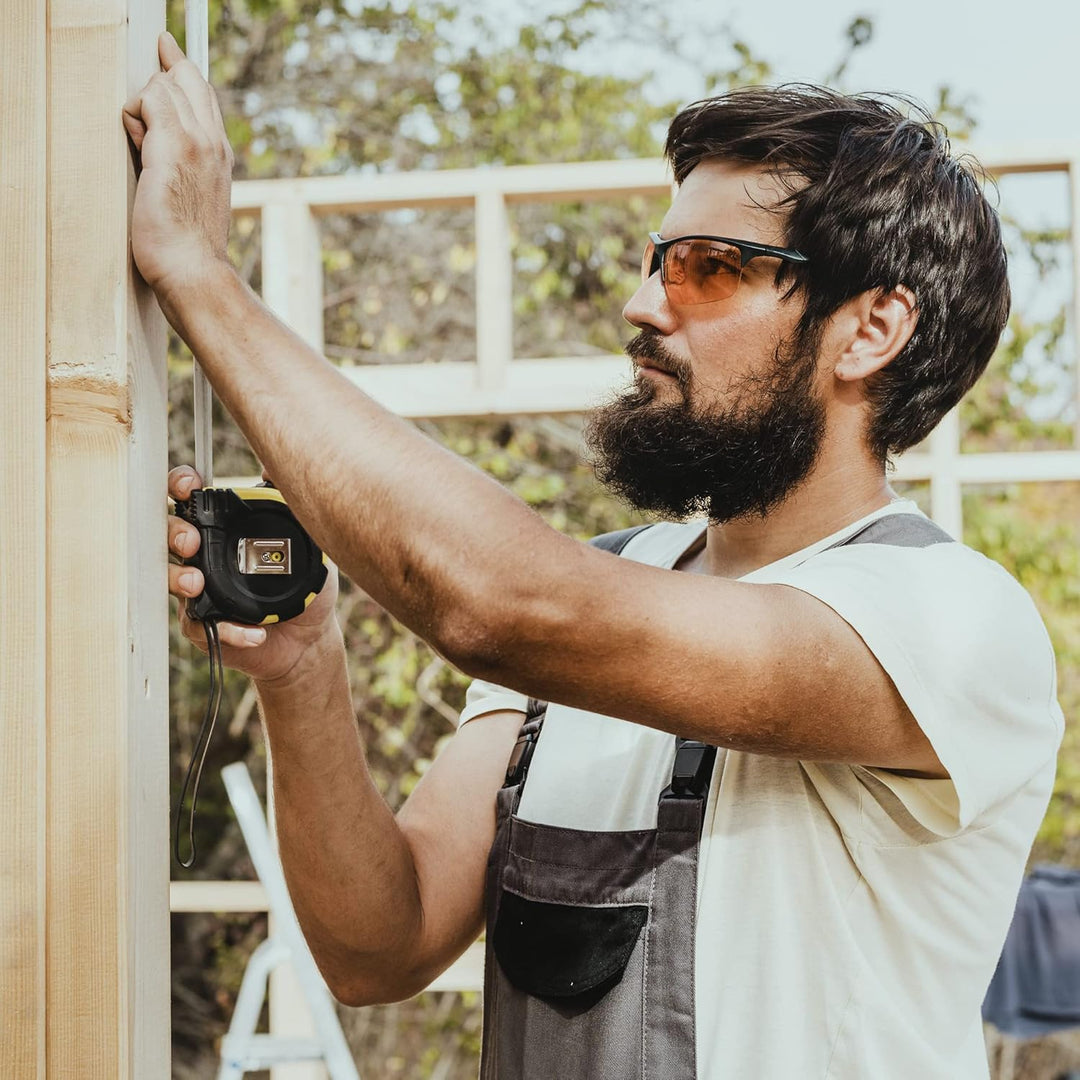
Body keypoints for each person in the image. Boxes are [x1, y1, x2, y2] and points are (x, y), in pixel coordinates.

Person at [127, 31, 1064, 1079]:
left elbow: (502, 605)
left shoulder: (947, 618)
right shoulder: (609, 587)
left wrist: (199, 274)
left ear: (870, 331)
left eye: (710, 268)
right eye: (659, 258)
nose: (643, 302)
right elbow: (376, 946)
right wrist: (304, 670)